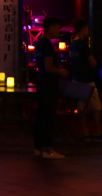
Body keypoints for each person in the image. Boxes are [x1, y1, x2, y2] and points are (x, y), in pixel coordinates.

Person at [33, 16, 69, 159]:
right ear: (51, 27)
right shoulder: (47, 44)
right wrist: (61, 71)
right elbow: (49, 67)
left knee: (41, 116)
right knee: (48, 116)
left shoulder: (39, 43)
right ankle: (48, 150)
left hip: (42, 83)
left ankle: (38, 148)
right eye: (57, 27)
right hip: (49, 84)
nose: (58, 31)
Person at [69, 19, 102, 142]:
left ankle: (85, 131)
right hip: (87, 79)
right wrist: (95, 62)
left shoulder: (72, 44)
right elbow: (92, 62)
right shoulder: (83, 44)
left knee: (81, 107)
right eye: (86, 28)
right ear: (82, 28)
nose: (88, 31)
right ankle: (98, 131)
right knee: (96, 105)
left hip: (76, 78)